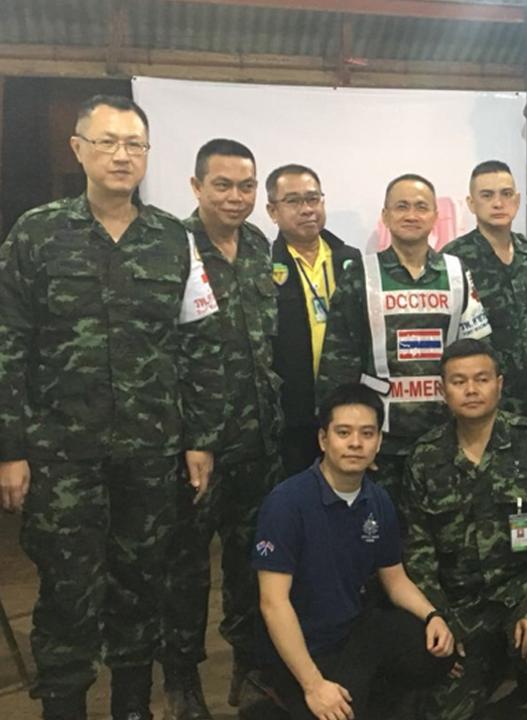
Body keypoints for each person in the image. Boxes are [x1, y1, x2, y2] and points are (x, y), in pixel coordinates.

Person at [0, 95, 225, 720]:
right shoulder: (37, 232)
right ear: (78, 149)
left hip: (150, 452)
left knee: (140, 583)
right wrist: (9, 448)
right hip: (60, 453)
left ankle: (132, 704)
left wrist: (199, 437)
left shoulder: (174, 241)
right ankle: (64, 705)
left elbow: (198, 344)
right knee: (67, 589)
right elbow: (7, 343)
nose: (122, 155)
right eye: (107, 142)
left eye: (134, 144)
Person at [401, 339, 527, 720]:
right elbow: (416, 550)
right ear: (442, 390)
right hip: (461, 607)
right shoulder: (424, 456)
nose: (471, 390)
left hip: (524, 594)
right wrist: (439, 619)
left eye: (481, 379)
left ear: (499, 384)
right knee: (440, 707)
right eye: (458, 381)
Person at [162, 138, 283, 718]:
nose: (236, 198)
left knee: (250, 559)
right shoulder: (171, 248)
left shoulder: (259, 246)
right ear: (196, 187)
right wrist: (191, 438)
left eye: (246, 186)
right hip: (195, 446)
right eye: (223, 185)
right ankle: (183, 679)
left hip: (258, 441)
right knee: (187, 568)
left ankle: (251, 666)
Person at [253, 384, 455, 720]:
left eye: (367, 433)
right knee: (333, 711)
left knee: (437, 652)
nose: (355, 443)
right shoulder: (287, 502)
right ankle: (276, 700)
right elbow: (273, 603)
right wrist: (313, 685)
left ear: (378, 442)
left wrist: (433, 616)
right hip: (302, 646)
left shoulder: (377, 500)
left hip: (354, 632)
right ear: (323, 439)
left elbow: (395, 578)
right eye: (343, 432)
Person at [316, 173, 491, 501]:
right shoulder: (361, 275)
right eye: (402, 207)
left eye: (421, 207)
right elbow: (337, 366)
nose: (412, 215)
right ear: (385, 216)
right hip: (382, 444)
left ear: (435, 217)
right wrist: (346, 439)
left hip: (446, 438)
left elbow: (479, 355)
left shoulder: (457, 273)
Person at [266, 164, 361, 477]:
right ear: (272, 210)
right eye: (293, 201)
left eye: (313, 199)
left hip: (348, 410)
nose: (307, 209)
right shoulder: (264, 266)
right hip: (292, 412)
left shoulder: (351, 260)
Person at [443, 160, 527, 422]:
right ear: (471, 203)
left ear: (517, 199)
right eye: (487, 195)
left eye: (505, 194)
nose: (498, 203)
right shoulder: (452, 259)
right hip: (482, 401)